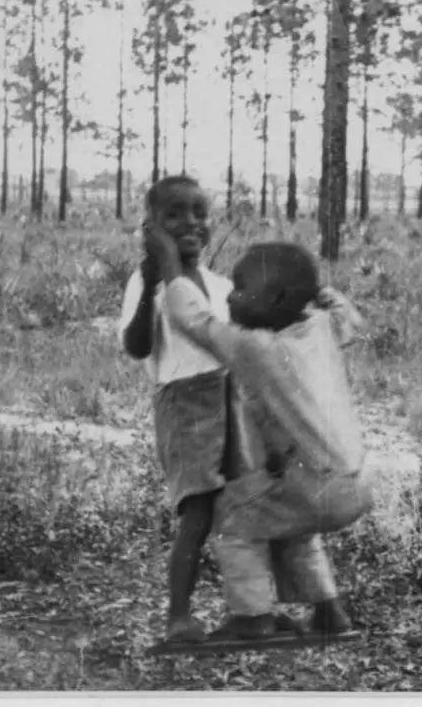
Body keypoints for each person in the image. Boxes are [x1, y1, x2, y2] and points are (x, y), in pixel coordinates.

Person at [149, 231, 373, 641]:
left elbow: (194, 321)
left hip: (314, 482)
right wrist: (316, 289)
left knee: (233, 516)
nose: (230, 298)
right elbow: (348, 316)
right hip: (350, 482)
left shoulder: (258, 349)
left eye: (241, 291)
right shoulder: (322, 327)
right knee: (292, 525)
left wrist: (169, 269)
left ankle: (252, 618)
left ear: (273, 302)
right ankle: (328, 611)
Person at [118, 174, 235, 644]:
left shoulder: (220, 285)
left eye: (199, 212)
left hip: (228, 400)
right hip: (184, 404)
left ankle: (250, 611)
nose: (189, 222)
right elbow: (137, 345)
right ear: (151, 226)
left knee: (236, 508)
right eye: (174, 214)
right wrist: (151, 285)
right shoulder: (149, 283)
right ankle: (178, 616)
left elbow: (227, 338)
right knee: (198, 511)